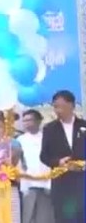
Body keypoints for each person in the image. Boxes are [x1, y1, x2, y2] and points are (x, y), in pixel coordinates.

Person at [40, 89, 86, 223]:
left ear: (71, 105)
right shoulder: (49, 129)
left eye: (60, 106)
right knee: (66, 218)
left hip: (82, 183)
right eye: (55, 107)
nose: (57, 110)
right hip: (62, 186)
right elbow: (44, 156)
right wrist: (59, 162)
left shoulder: (83, 125)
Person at [17, 109, 53, 223]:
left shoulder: (47, 138)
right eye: (24, 121)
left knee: (45, 217)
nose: (26, 123)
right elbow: (19, 163)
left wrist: (50, 183)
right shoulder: (20, 140)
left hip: (46, 184)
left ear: (38, 121)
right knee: (28, 217)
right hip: (28, 185)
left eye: (29, 120)